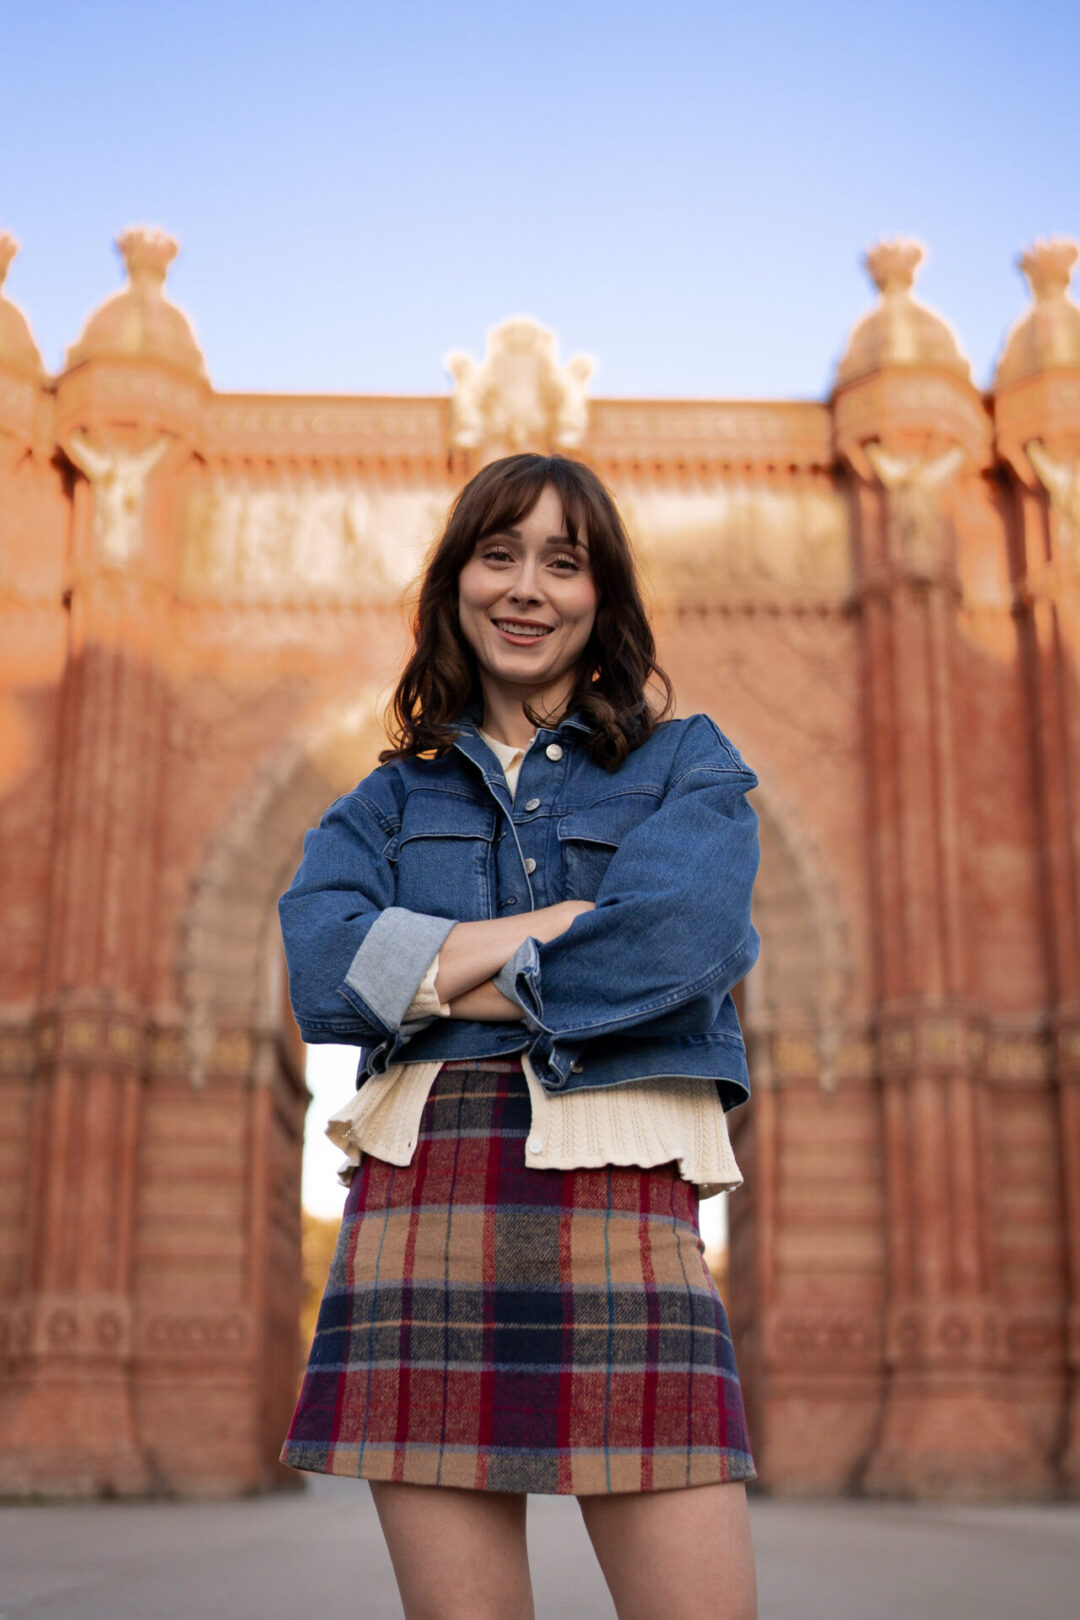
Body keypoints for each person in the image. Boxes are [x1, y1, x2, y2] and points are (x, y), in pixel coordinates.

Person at [277, 452, 761, 1620]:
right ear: (456, 584)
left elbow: (680, 944)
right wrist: (557, 925)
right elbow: (324, 975)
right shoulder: (386, 800)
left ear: (605, 596)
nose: (527, 588)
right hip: (423, 1204)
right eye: (499, 556)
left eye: (563, 560)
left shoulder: (682, 764)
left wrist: (440, 967)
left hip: (626, 1204)